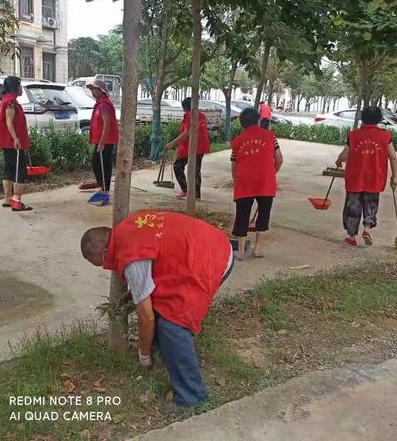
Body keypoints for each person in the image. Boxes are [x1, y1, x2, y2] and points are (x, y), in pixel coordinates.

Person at [80, 210, 233, 408]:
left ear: (102, 254)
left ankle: (192, 398)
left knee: (173, 325)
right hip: (211, 243)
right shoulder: (129, 227)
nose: (102, 267)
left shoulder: (130, 257)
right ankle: (168, 356)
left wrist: (143, 354)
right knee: (161, 308)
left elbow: (147, 318)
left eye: (98, 264)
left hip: (210, 260)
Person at [336, 106, 397, 247]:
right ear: (379, 119)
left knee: (353, 206)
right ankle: (367, 228)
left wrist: (339, 160)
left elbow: (345, 154)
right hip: (375, 178)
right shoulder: (385, 135)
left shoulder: (353, 135)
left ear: (363, 118)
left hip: (355, 178)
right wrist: (395, 177)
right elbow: (393, 157)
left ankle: (352, 237)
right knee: (371, 204)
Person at [230, 108, 283, 260]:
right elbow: (279, 159)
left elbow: (234, 166)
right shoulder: (270, 137)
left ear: (242, 124)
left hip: (244, 181)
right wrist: (271, 174)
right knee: (263, 214)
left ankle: (240, 252)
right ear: (258, 120)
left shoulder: (237, 141)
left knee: (242, 215)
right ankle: (258, 248)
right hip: (265, 182)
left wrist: (236, 182)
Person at [0, 76, 32, 212]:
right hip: (13, 142)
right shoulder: (10, 102)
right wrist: (16, 138)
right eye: (20, 86)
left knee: (9, 170)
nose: (22, 88)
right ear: (14, 87)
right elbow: (9, 121)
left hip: (7, 142)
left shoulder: (8, 100)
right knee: (19, 171)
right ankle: (16, 201)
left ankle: (7, 199)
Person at [164, 97, 210, 200]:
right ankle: (193, 194)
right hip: (196, 147)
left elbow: (186, 133)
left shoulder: (191, 116)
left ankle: (188, 191)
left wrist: (171, 144)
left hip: (194, 147)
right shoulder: (200, 115)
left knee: (179, 167)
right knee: (194, 170)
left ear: (185, 107)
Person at [87, 79, 119, 193]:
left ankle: (105, 188)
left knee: (101, 164)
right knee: (97, 164)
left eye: (94, 89)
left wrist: (102, 142)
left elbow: (107, 124)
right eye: (91, 89)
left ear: (101, 91)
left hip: (106, 140)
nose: (92, 91)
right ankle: (103, 186)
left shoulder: (105, 104)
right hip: (101, 140)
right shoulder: (99, 104)